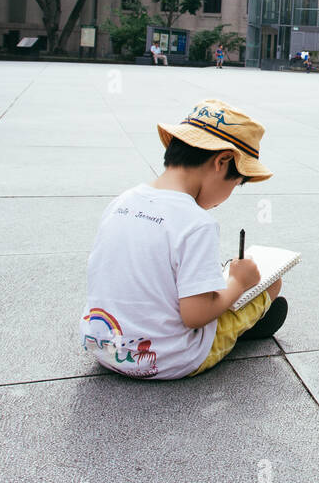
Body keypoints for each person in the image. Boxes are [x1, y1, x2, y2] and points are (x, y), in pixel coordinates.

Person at [80, 100, 287, 380]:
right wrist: (239, 281)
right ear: (222, 162)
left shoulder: (122, 201)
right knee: (270, 284)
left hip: (104, 348)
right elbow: (195, 315)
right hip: (164, 360)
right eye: (234, 185)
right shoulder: (196, 223)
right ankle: (245, 326)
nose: (228, 196)